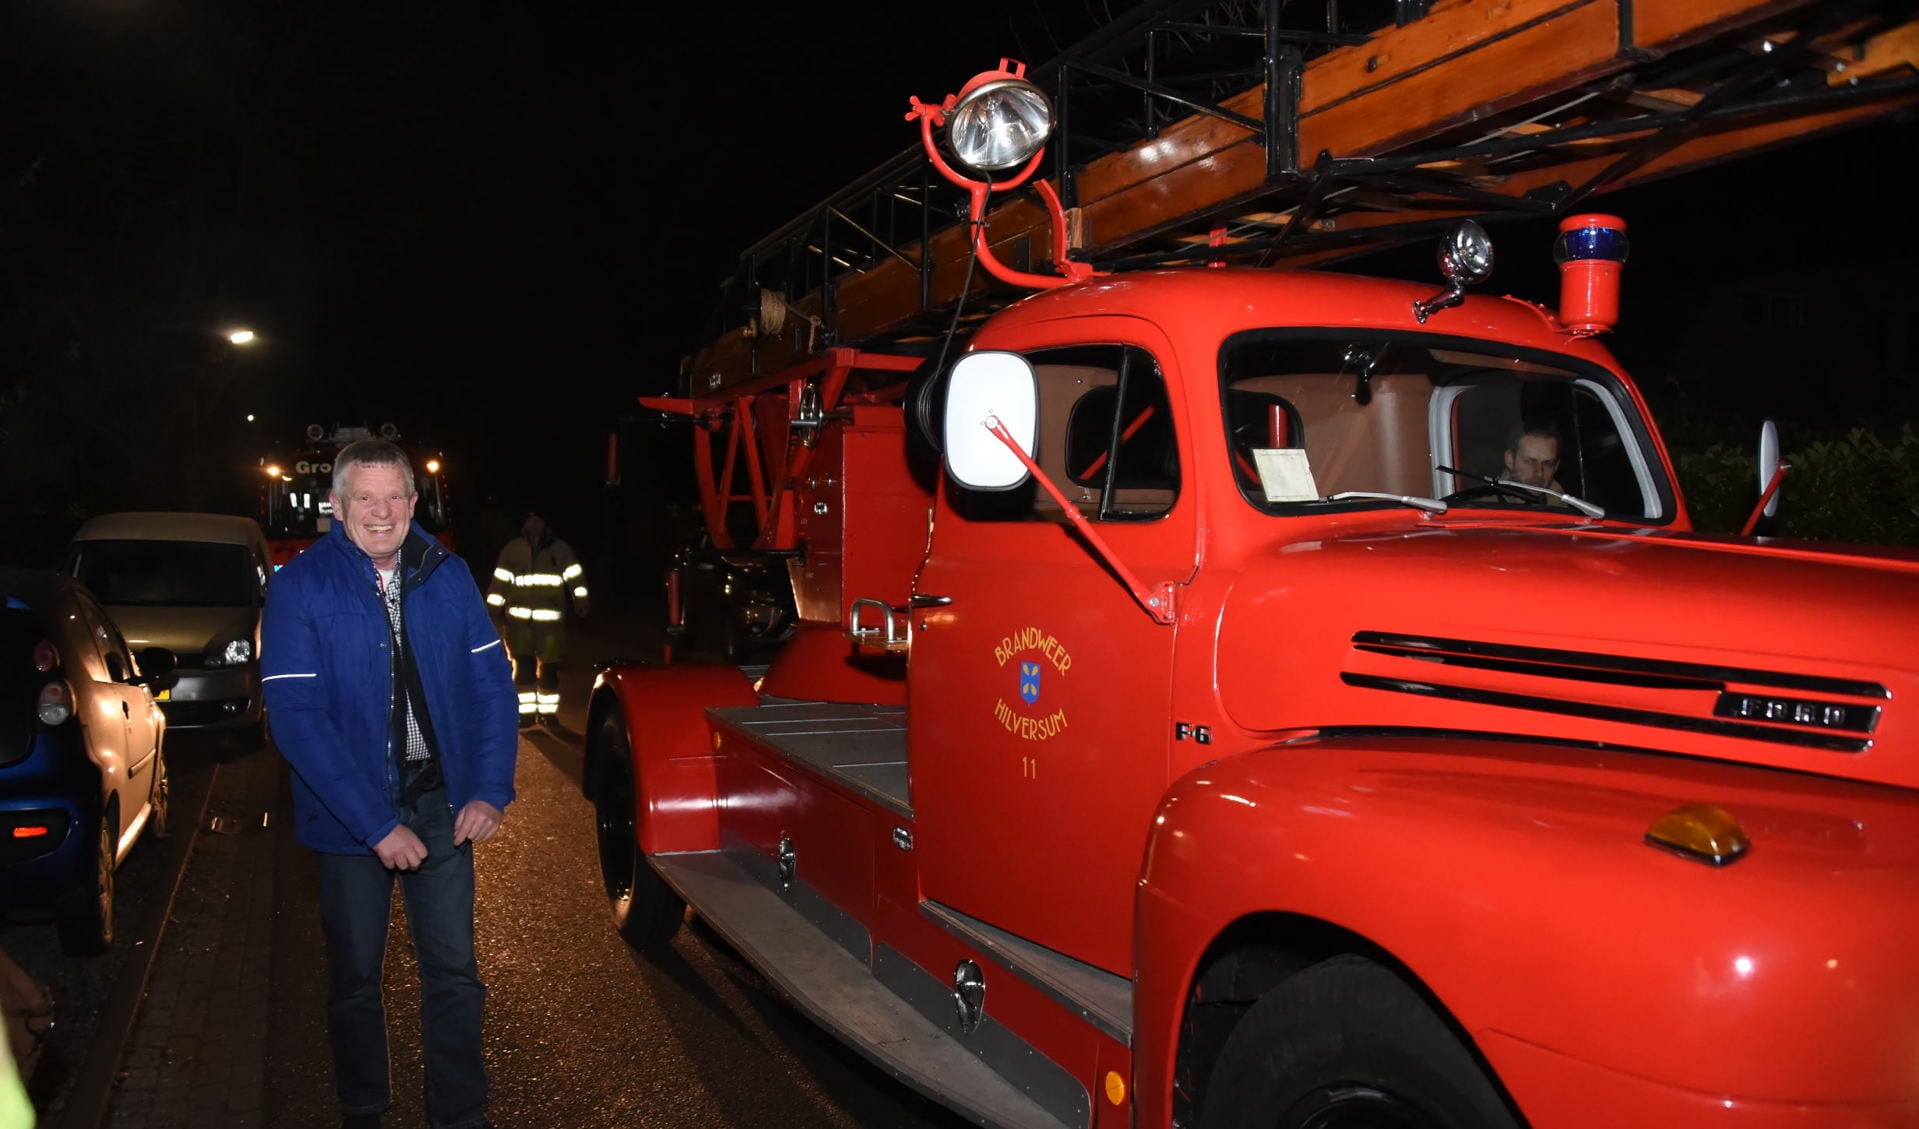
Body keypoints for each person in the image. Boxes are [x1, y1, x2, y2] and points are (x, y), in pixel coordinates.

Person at [261, 439, 516, 1129]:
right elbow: (296, 719)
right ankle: (364, 1108)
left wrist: (489, 787)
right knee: (353, 981)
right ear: (337, 507)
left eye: (393, 497)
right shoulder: (298, 587)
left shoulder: (449, 574)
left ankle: (460, 1116)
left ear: (412, 503)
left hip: (439, 802)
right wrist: (374, 824)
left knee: (454, 977)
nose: (381, 512)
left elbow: (492, 685)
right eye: (364, 498)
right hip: (349, 822)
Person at [486, 512, 589, 727]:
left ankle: (548, 714)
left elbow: (575, 578)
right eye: (530, 519)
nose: (534, 523)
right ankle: (526, 715)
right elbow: (500, 581)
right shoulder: (513, 550)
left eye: (539, 519)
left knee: (549, 670)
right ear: (524, 523)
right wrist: (491, 610)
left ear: (545, 523)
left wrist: (581, 602)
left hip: (550, 625)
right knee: (523, 669)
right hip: (519, 623)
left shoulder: (559, 550)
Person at [1502, 420, 1563, 489]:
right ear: (1510, 460)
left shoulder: (1563, 498)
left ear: (1556, 466)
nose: (1539, 473)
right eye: (1529, 461)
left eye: (1548, 464)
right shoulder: (1490, 498)